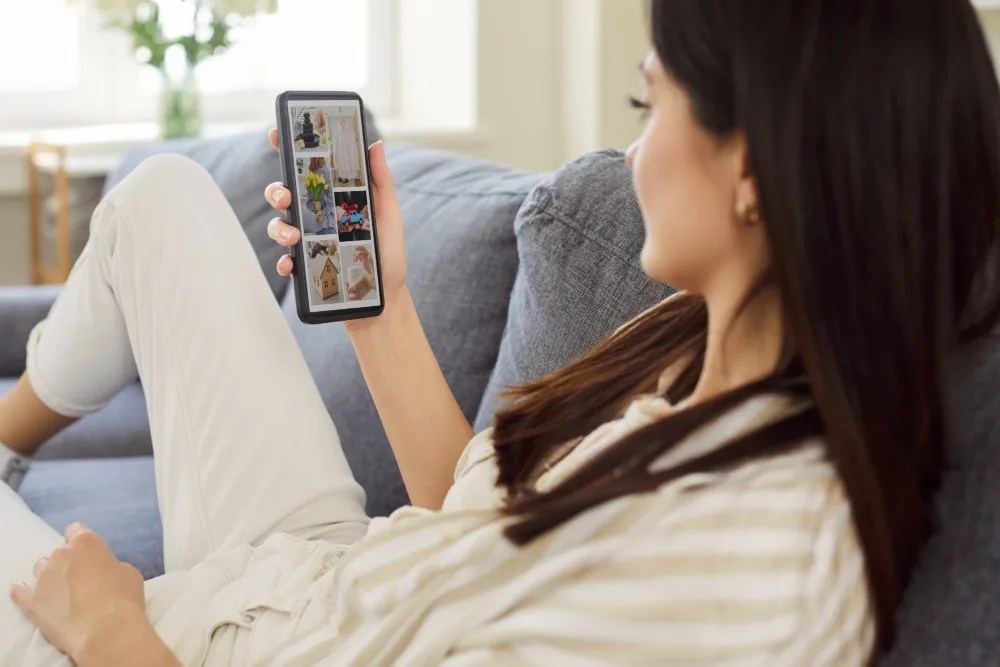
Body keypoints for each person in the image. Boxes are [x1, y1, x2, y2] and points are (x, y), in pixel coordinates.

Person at [2, 0, 999, 664]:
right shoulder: (700, 360)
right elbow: (476, 522)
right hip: (323, 581)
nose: (632, 152)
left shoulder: (757, 567)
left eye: (649, 105)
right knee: (163, 198)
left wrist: (110, 633)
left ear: (751, 172)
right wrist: (380, 300)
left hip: (187, 648)